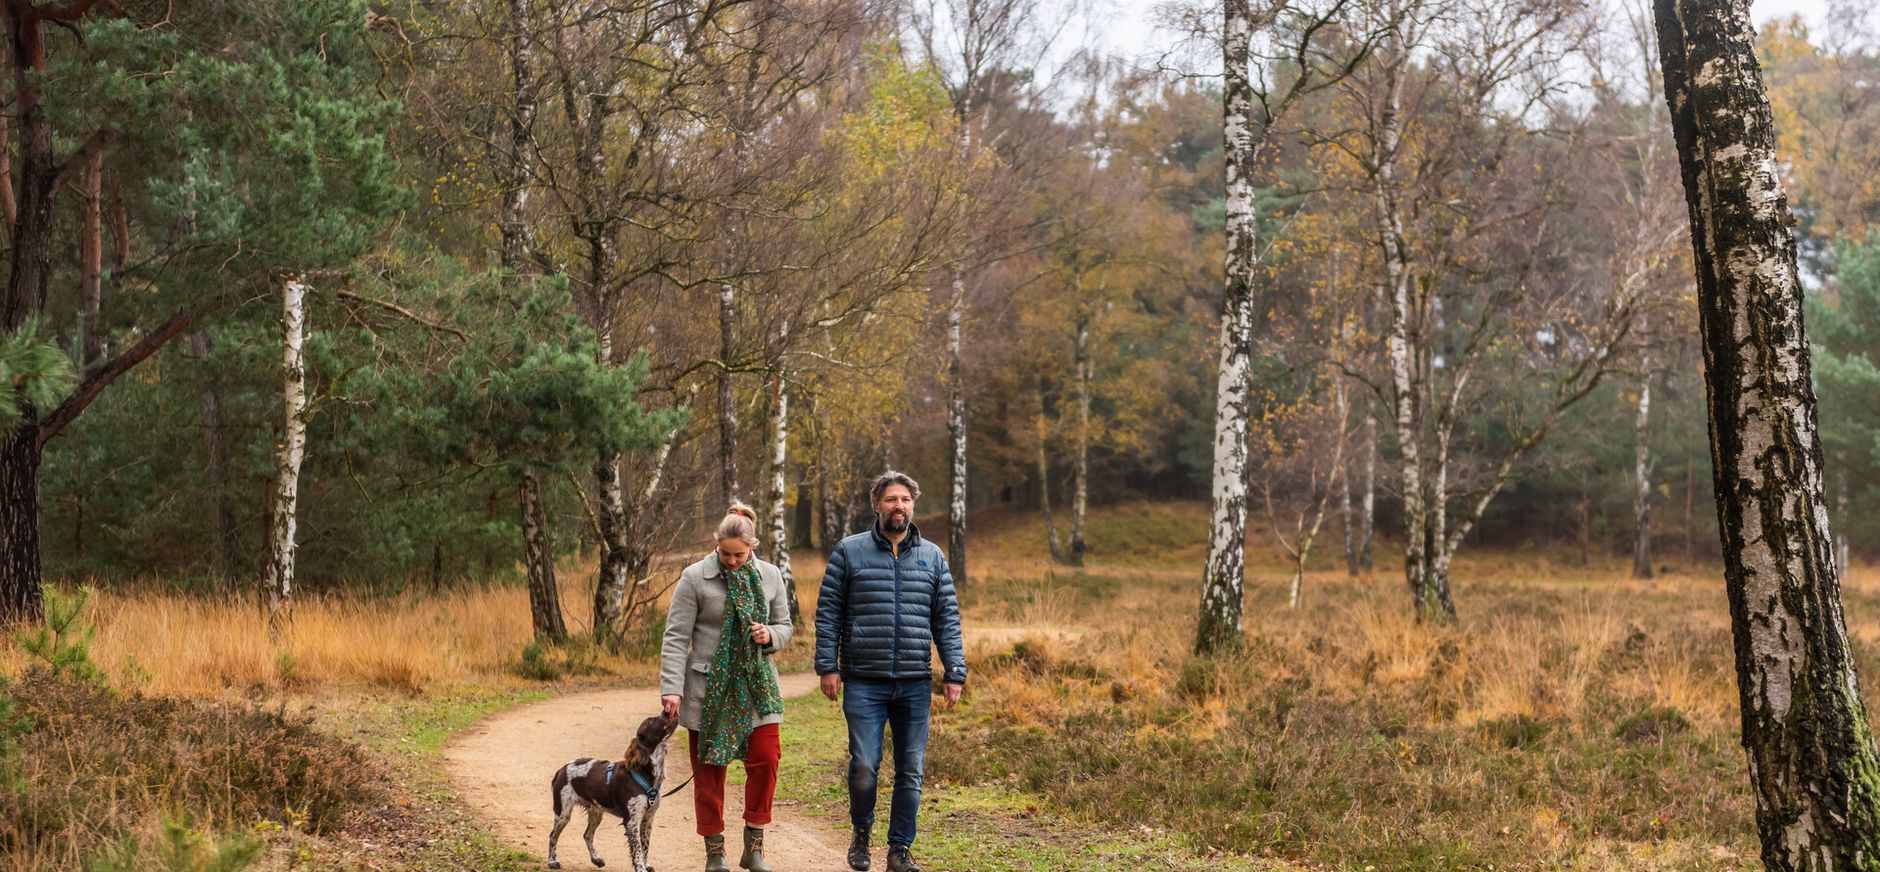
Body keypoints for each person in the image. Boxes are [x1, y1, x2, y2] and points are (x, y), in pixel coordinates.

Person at [814, 471, 967, 872]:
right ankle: (861, 832)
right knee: (865, 764)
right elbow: (828, 613)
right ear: (877, 505)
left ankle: (899, 849)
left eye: (904, 500)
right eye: (890, 500)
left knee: (911, 770)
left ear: (913, 505)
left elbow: (946, 618)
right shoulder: (849, 551)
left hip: (915, 682)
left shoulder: (932, 556)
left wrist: (954, 671)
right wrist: (828, 666)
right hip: (864, 679)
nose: (898, 506)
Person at [660, 503, 794, 872]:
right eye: (725, 553)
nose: (732, 561)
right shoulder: (694, 578)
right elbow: (676, 638)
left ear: (752, 547)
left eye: (739, 554)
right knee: (708, 773)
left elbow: (785, 624)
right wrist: (671, 689)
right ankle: (714, 852)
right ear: (716, 544)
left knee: (766, 761)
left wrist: (770, 635)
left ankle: (754, 847)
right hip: (708, 691)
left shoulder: (770, 576)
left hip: (757, 687)